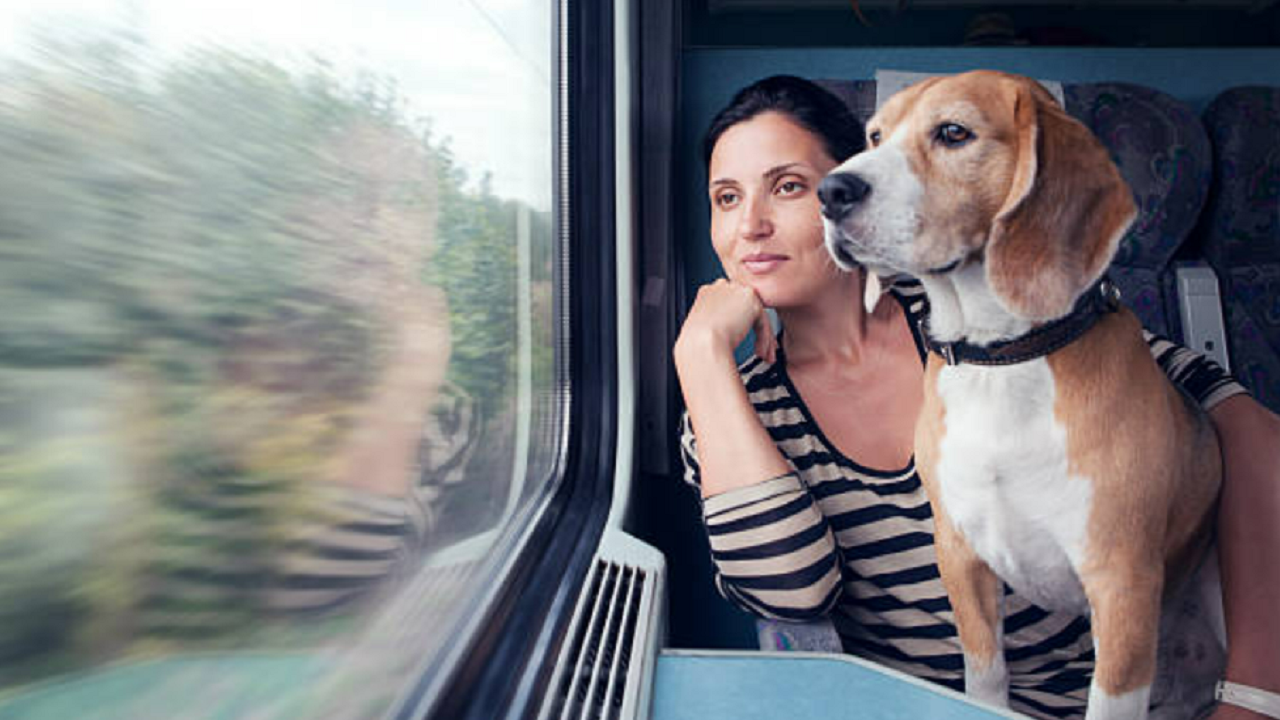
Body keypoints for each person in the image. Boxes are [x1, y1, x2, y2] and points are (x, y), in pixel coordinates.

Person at [673, 74, 1280, 720]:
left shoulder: (996, 312)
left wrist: (1254, 695)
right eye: (726, 198)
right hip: (930, 707)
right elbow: (790, 592)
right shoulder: (729, 413)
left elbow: (1245, 429)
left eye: (789, 186)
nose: (750, 226)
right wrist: (703, 357)